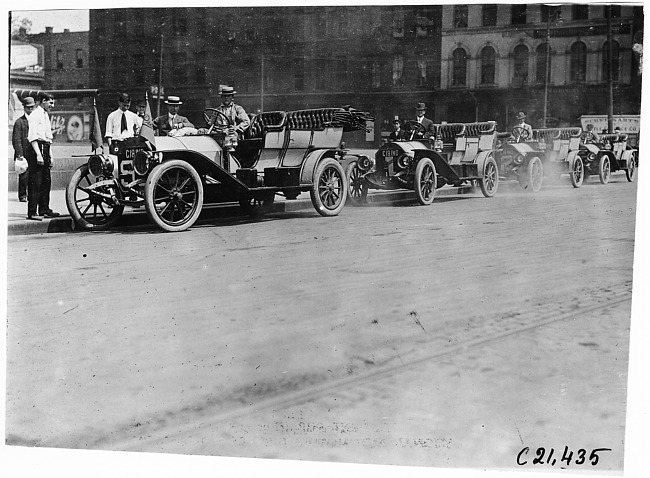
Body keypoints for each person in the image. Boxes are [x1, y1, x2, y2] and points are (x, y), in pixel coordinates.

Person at [26, 92, 59, 220]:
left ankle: (44, 209)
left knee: (46, 181)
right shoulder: (35, 115)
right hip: (36, 148)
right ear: (43, 101)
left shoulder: (45, 115)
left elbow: (48, 137)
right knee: (35, 182)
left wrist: (50, 156)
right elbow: (32, 136)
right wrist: (39, 155)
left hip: (45, 148)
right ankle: (32, 212)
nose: (52, 105)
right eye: (50, 102)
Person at [12, 96, 36, 202]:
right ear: (24, 108)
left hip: (33, 152)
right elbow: (16, 140)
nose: (31, 109)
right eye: (29, 107)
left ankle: (31, 195)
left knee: (33, 175)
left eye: (32, 107)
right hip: (23, 153)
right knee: (23, 175)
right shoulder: (19, 122)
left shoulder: (35, 120)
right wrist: (20, 154)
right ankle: (22, 195)